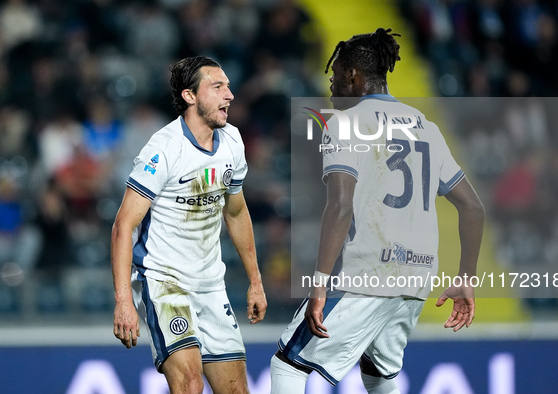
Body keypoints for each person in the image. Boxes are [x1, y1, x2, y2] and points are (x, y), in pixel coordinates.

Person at [270, 28, 485, 393]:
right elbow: (473, 207)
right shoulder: (426, 126)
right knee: (378, 373)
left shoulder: (345, 123)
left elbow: (340, 206)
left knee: (287, 366)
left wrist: (319, 283)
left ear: (353, 76)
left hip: (367, 272)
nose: (332, 86)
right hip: (416, 275)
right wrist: (466, 277)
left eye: (335, 75)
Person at [111, 56, 267, 394]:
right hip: (165, 282)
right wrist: (124, 299)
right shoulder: (164, 150)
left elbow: (236, 213)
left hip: (211, 284)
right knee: (190, 384)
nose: (230, 95)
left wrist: (255, 280)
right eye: (218, 87)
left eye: (228, 86)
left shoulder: (233, 142)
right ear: (189, 96)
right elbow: (124, 225)